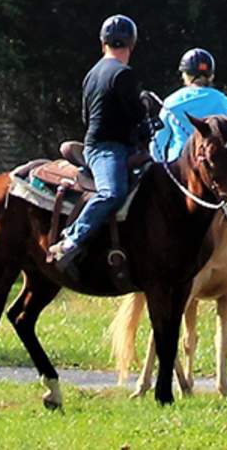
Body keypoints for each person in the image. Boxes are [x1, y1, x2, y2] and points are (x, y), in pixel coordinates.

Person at [150, 47, 227, 297]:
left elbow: (157, 147)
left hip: (180, 180)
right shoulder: (224, 102)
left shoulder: (171, 103)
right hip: (218, 179)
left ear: (184, 75)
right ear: (211, 75)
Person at [47, 14, 145, 269]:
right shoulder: (124, 74)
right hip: (108, 149)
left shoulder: (92, 74)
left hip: (98, 144)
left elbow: (86, 116)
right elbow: (136, 116)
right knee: (113, 192)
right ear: (131, 44)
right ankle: (71, 239)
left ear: (103, 43)